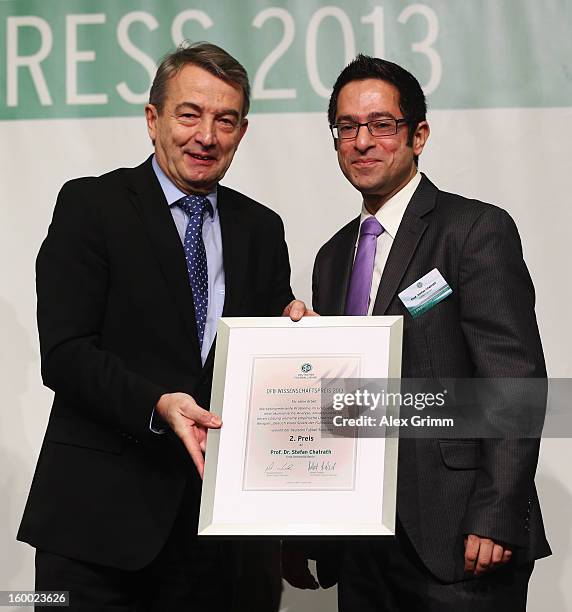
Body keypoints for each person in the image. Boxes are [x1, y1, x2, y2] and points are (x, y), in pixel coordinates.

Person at [18, 41, 311, 611]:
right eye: (189, 114)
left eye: (225, 120)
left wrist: (293, 332)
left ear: (242, 132)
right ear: (152, 119)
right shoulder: (91, 206)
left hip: (221, 540)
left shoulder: (260, 228)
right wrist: (157, 403)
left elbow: (264, 352)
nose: (207, 135)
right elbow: (66, 352)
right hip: (97, 535)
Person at [283, 54, 550, 610]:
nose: (363, 141)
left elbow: (513, 379)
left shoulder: (474, 229)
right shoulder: (333, 256)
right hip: (362, 544)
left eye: (382, 124)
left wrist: (498, 513)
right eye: (347, 127)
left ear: (418, 134)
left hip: (459, 539)